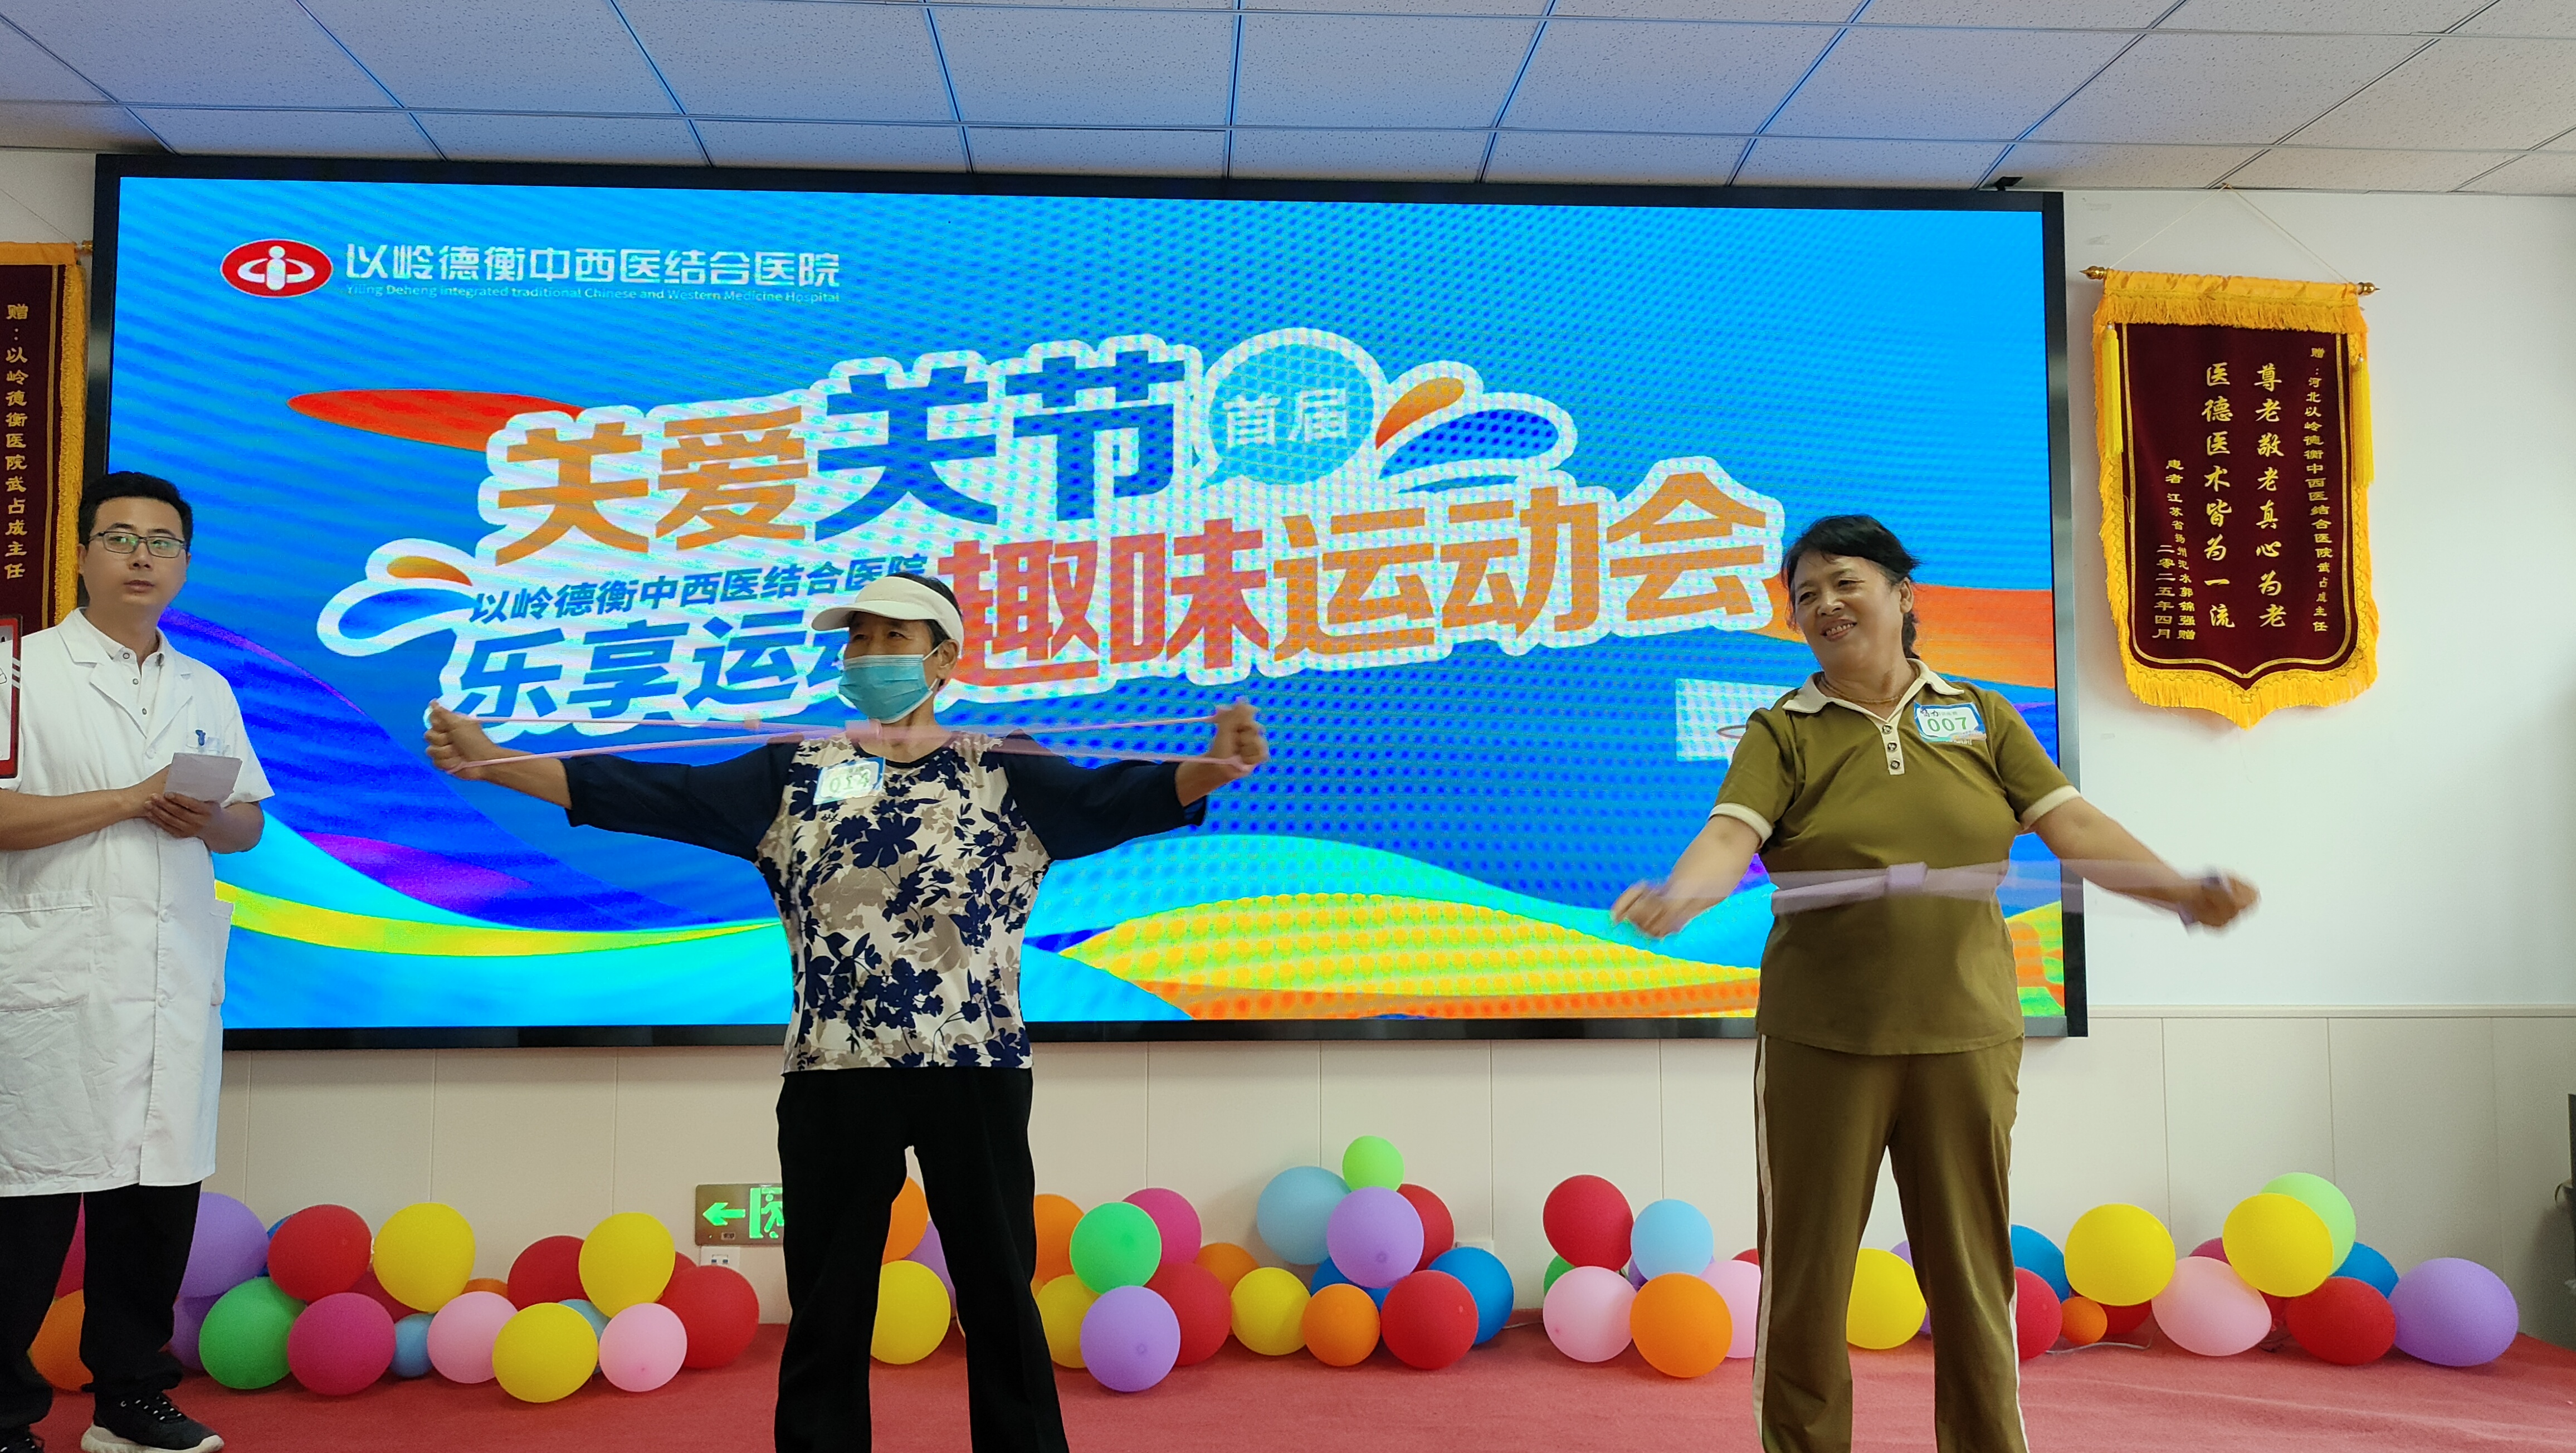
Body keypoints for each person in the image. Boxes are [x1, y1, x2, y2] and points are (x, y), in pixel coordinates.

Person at [425, 572, 1264, 1453]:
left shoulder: (1001, 767)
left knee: (998, 1293)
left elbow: (1110, 801)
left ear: (944, 659)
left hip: (972, 1069)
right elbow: (654, 795)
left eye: (893, 638)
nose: (868, 654)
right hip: (834, 1072)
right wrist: (495, 760)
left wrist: (1210, 768)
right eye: (857, 638)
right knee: (827, 1305)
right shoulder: (796, 772)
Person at [1614, 515, 2256, 1453]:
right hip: (1822, 1042)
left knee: (1970, 1277)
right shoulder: (1780, 730)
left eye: (1845, 582)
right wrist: (1683, 894)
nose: (1825, 605)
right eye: (1805, 596)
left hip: (1967, 1034)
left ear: (1902, 594)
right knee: (1807, 1281)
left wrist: (2181, 894)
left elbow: (2075, 828)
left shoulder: (1983, 715)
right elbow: (1728, 836)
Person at [1, 472, 272, 1453]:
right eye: (120, 537)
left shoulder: (206, 688)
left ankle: (131, 1399)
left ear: (185, 565)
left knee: (155, 1202)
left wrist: (203, 816)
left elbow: (246, 827)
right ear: (81, 556)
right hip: (52, 983)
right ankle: (4, 1415)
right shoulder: (18, 671)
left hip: (170, 982)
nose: (142, 557)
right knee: (27, 1212)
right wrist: (131, 798)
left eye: (163, 542)